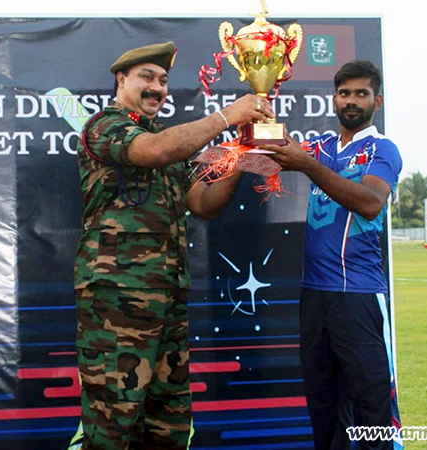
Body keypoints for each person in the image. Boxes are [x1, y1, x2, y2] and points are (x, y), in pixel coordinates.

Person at [73, 41, 274, 450]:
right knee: (112, 425)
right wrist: (227, 114)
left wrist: (239, 151)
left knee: (168, 425)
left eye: (163, 81)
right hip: (117, 306)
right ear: (121, 80)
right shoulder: (106, 126)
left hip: (167, 304)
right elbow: (155, 150)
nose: (157, 88)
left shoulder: (168, 145)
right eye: (147, 77)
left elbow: (203, 203)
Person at [262, 60, 403, 450]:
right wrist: (256, 112)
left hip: (358, 296)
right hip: (315, 299)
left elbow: (372, 203)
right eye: (344, 93)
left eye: (361, 93)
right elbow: (270, 146)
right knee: (323, 411)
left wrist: (307, 166)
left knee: (371, 413)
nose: (352, 101)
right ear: (334, 99)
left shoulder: (382, 149)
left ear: (378, 101)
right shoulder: (321, 147)